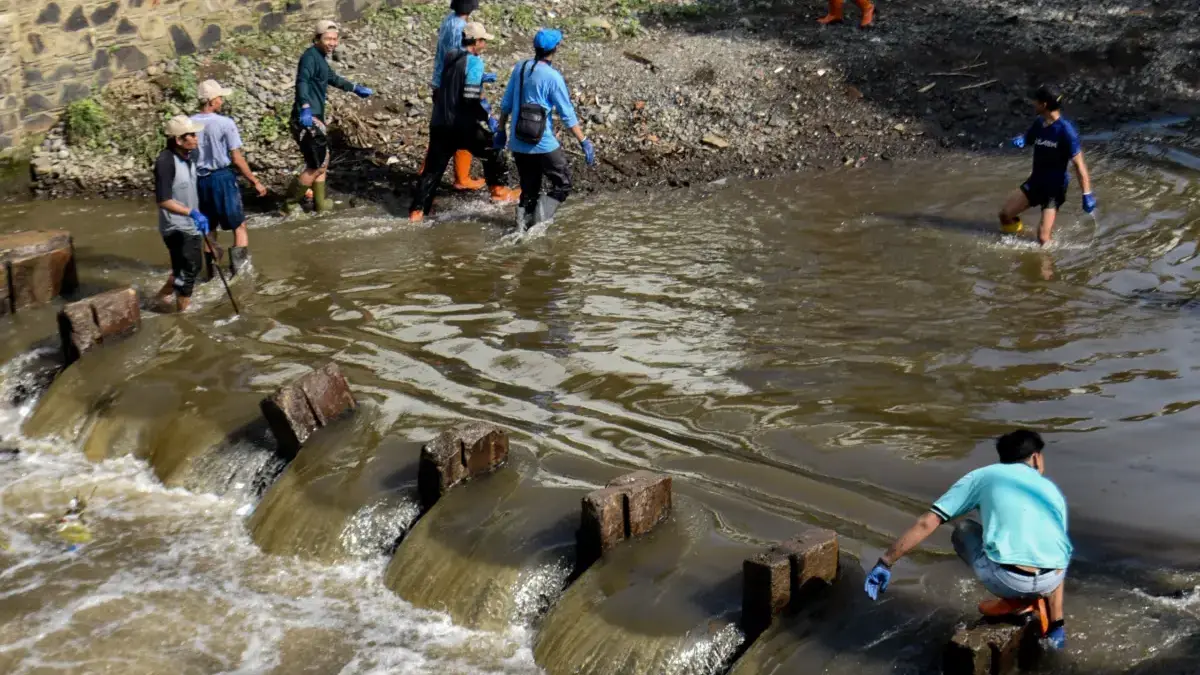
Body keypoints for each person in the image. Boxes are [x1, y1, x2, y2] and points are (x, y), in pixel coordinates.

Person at [863, 429, 1071, 650]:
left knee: (963, 529)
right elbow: (1060, 551)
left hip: (1009, 579)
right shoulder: (1052, 491)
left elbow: (929, 521)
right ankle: (1056, 626)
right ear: (1037, 458)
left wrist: (886, 561)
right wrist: (1057, 623)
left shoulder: (984, 476)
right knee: (1051, 541)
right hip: (1051, 580)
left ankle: (1015, 600)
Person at [409, 22, 518, 222]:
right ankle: (499, 191)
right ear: (476, 42)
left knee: (432, 170)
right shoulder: (475, 63)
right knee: (493, 151)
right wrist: (487, 118)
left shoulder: (451, 55)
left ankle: (417, 212)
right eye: (483, 40)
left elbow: (451, 81)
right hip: (462, 125)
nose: (485, 44)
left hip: (440, 122)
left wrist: (480, 79)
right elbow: (470, 98)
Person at [497, 29, 596, 229]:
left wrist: (501, 130)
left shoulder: (520, 68)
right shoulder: (553, 77)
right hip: (543, 144)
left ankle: (521, 226)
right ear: (554, 49)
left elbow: (506, 103)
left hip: (518, 141)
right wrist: (583, 141)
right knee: (563, 183)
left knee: (529, 190)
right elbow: (567, 114)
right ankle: (539, 222)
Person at [281, 20, 373, 214]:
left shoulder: (321, 58)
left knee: (323, 161)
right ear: (317, 38)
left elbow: (332, 78)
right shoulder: (309, 57)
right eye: (328, 39)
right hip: (307, 116)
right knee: (316, 165)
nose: (332, 43)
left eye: (335, 39)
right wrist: (304, 107)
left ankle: (320, 204)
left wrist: (354, 88)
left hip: (317, 116)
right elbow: (302, 82)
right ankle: (288, 206)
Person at [999, 86, 1096, 246]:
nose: (1033, 104)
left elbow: (1079, 165)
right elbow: (1029, 139)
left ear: (1044, 105)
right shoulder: (1039, 123)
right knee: (1005, 215)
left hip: (1054, 189)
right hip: (1035, 182)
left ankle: (1047, 265)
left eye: (1036, 102)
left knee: (1043, 239)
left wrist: (1087, 193)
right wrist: (1022, 140)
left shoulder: (1066, 131)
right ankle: (1016, 238)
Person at [191, 79, 266, 276]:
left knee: (209, 228)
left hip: (199, 180)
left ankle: (211, 275)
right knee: (239, 226)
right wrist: (254, 181)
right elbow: (236, 158)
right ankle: (240, 274)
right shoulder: (225, 123)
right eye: (220, 98)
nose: (222, 101)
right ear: (212, 100)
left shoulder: (189, 123)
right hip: (222, 178)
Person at [429, 0, 487, 191]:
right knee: (463, 127)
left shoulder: (448, 20)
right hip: (452, 88)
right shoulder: (462, 28)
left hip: (440, 82)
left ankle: (426, 176)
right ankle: (462, 178)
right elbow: (461, 59)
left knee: (442, 134)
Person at [154, 115, 210, 312]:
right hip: (176, 227)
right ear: (178, 140)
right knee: (189, 271)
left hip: (191, 224)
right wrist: (192, 212)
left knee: (183, 269)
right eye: (191, 135)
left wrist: (199, 214)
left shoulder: (189, 156)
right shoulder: (165, 162)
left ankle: (159, 298)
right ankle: (183, 315)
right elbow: (163, 200)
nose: (196, 138)